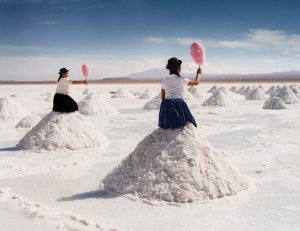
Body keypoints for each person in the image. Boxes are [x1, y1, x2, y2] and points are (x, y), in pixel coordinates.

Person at [159, 57, 201, 129]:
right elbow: (196, 82)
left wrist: (165, 108)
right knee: (186, 124)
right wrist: (198, 73)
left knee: (168, 126)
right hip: (178, 103)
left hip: (166, 104)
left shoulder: (164, 80)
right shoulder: (182, 79)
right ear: (178, 68)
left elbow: (163, 97)